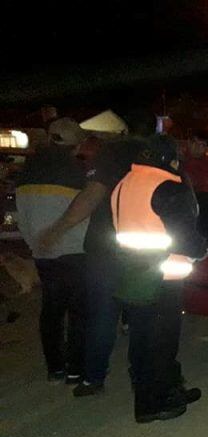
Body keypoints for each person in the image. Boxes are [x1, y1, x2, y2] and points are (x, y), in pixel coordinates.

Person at [38, 109, 157, 397]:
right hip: (146, 248)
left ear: (126, 128)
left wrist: (59, 228)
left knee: (103, 314)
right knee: (143, 315)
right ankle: (142, 378)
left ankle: (93, 379)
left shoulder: (111, 153)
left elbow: (92, 195)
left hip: (106, 247)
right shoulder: (159, 154)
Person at [111, 135, 207, 423]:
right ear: (170, 160)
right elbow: (186, 238)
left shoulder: (123, 184)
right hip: (164, 276)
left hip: (133, 273)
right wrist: (202, 251)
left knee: (142, 339)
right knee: (162, 340)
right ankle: (155, 401)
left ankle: (163, 390)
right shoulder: (168, 187)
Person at [15, 118, 88, 384]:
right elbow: (85, 212)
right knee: (79, 312)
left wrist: (34, 242)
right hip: (74, 250)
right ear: (75, 144)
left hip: (43, 252)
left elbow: (20, 215)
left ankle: (55, 368)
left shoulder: (27, 170)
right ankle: (76, 369)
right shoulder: (77, 171)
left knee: (52, 310)